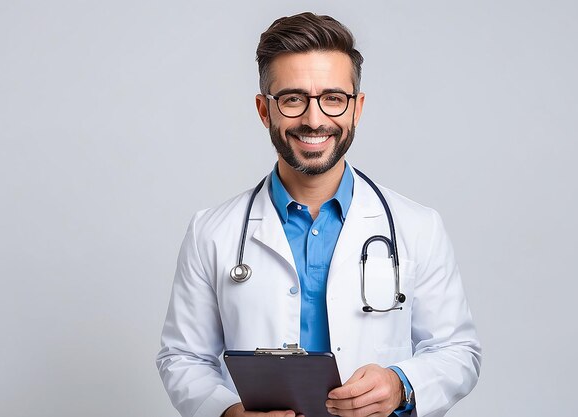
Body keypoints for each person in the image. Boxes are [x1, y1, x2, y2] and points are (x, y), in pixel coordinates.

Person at [156, 12, 481, 417]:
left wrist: (401, 384)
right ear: (264, 110)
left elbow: (458, 352)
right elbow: (183, 358)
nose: (314, 119)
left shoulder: (417, 227)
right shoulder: (212, 233)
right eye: (293, 99)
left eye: (333, 98)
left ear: (356, 108)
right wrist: (228, 413)